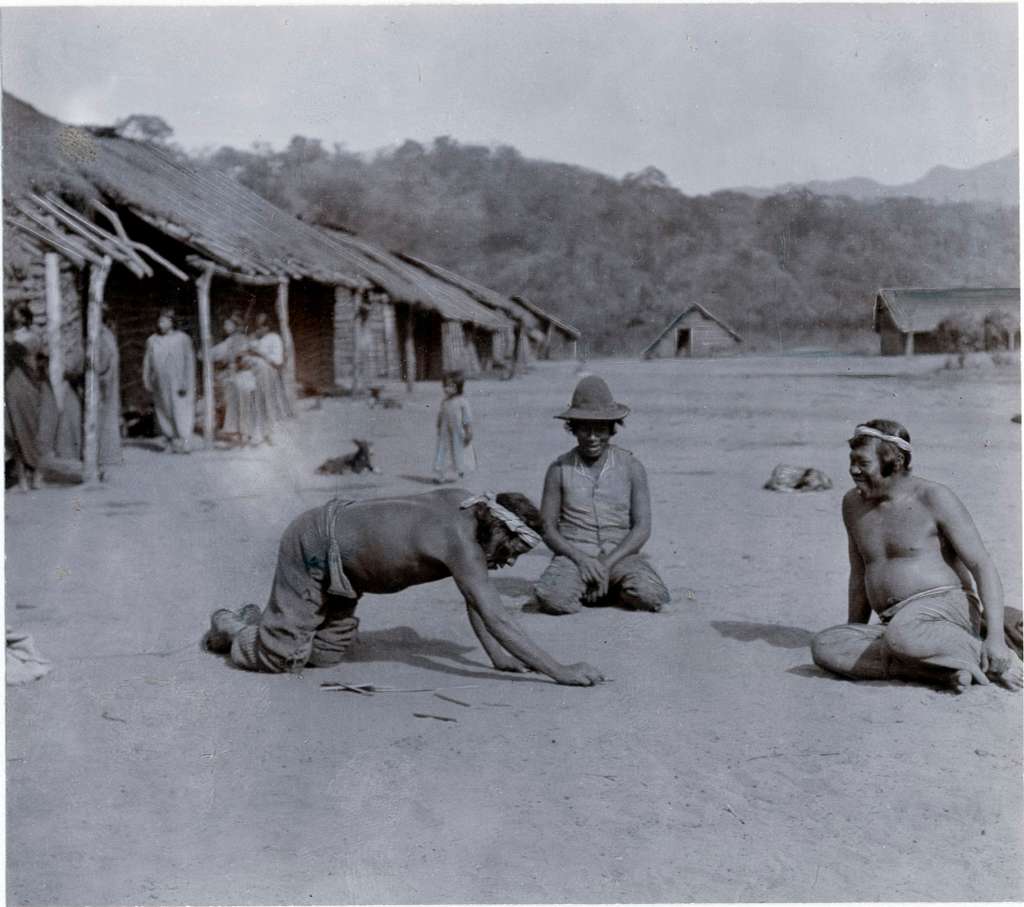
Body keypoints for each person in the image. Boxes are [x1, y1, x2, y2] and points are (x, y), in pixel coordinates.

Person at [203, 489, 604, 686]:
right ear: (500, 527)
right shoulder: (460, 541)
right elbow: (496, 614)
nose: (510, 562)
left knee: (323, 657)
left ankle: (265, 620)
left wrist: (497, 657)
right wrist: (559, 671)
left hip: (347, 572)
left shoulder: (472, 511)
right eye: (512, 551)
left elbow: (477, 599)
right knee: (282, 659)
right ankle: (232, 626)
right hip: (315, 543)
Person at [811, 419, 1023, 693]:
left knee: (903, 635)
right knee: (826, 644)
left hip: (946, 606)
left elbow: (982, 565)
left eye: (863, 463)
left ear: (896, 461)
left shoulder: (934, 497)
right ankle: (943, 671)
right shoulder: (852, 504)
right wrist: (856, 632)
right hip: (894, 622)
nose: (853, 470)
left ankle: (996, 661)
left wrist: (995, 638)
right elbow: (859, 574)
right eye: (851, 461)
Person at [532, 375, 670, 615]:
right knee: (553, 598)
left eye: (600, 428)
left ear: (612, 428)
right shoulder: (558, 469)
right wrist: (581, 559)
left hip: (620, 556)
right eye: (584, 428)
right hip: (575, 557)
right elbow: (547, 529)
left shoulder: (632, 467)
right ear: (573, 428)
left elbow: (642, 528)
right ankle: (593, 587)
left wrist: (606, 564)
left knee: (652, 595)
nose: (592, 437)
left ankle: (605, 587)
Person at [142, 308, 196, 453]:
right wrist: (146, 378)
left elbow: (189, 361)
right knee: (163, 409)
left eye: (164, 321)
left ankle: (185, 441)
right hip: (160, 382)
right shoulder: (152, 340)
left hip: (179, 382)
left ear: (172, 322)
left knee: (181, 409)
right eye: (159, 321)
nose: (161, 324)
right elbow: (147, 361)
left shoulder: (183, 339)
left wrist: (186, 380)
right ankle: (170, 440)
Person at [5, 304, 44, 490]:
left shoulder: (32, 337)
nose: (14, 315)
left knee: (29, 430)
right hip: (10, 387)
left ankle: (36, 472)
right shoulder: (8, 337)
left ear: (25, 317)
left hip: (28, 389)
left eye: (18, 312)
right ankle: (21, 477)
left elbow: (20, 351)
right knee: (14, 434)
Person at [433, 370, 476, 483]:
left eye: (451, 386)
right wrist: (438, 425)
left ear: (459, 387)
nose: (447, 389)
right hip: (445, 432)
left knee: (459, 452)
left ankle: (461, 470)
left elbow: (467, 419)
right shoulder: (445, 401)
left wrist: (469, 431)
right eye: (445, 386)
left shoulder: (462, 401)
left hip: (458, 432)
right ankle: (441, 475)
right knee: (443, 452)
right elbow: (441, 414)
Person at [250, 313, 293, 423]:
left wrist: (261, 354)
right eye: (257, 326)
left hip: (271, 372)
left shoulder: (275, 338)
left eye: (261, 326)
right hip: (256, 371)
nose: (259, 329)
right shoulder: (257, 338)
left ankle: (270, 417)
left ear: (267, 327)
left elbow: (278, 361)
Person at [97, 306, 123, 467]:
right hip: (108, 380)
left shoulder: (100, 335)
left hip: (104, 382)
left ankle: (105, 455)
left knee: (103, 418)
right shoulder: (107, 334)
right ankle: (108, 454)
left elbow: (103, 360)